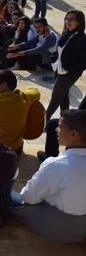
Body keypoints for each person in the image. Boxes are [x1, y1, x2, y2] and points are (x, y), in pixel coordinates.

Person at [13, 109, 86, 243]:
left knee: (8, 194)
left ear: (73, 134)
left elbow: (29, 198)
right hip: (82, 228)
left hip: (56, 228)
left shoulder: (56, 164)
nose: (56, 130)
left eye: (60, 126)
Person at [41, 10, 86, 159]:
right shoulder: (67, 33)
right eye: (67, 19)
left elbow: (83, 62)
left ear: (79, 22)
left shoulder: (81, 39)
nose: (68, 21)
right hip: (58, 70)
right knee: (63, 96)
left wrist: (69, 70)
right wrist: (54, 60)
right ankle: (64, 120)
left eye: (72, 19)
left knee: (55, 96)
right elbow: (59, 50)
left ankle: (43, 123)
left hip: (68, 73)